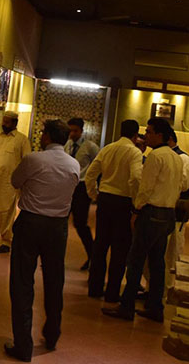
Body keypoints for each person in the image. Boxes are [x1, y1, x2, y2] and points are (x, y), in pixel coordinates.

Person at [4, 119, 80, 362]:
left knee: (22, 281)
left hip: (30, 222)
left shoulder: (34, 160)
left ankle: (23, 344)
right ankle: (52, 333)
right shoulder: (74, 164)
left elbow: (15, 181)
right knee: (55, 280)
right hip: (58, 227)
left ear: (47, 136)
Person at [103, 117, 183, 323]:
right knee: (157, 262)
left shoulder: (155, 156)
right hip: (168, 213)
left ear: (159, 135)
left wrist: (136, 210)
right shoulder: (176, 157)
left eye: (148, 132)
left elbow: (146, 187)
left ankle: (127, 306)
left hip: (152, 213)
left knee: (135, 261)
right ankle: (156, 307)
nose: (145, 136)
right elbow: (179, 186)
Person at [83, 119, 143, 302]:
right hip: (123, 202)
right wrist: (136, 201)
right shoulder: (134, 152)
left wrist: (94, 194)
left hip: (105, 200)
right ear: (135, 135)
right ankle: (112, 293)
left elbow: (90, 174)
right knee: (120, 249)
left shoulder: (107, 148)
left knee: (100, 245)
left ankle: (94, 288)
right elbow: (136, 178)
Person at [0, 111, 31, 253]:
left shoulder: (22, 140)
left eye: (7, 122)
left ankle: (6, 241)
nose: (4, 124)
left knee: (5, 213)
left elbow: (26, 161)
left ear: (15, 123)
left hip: (8, 183)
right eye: (3, 121)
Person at [64, 117, 100, 270]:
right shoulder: (66, 145)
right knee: (61, 222)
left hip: (81, 187)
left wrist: (93, 186)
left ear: (81, 131)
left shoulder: (90, 147)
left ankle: (92, 256)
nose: (72, 134)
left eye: (75, 131)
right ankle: (54, 257)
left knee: (80, 224)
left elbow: (98, 166)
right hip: (67, 186)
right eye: (70, 130)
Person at [168, 131, 189, 264]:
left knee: (174, 248)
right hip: (164, 210)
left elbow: (185, 185)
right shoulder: (164, 155)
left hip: (177, 212)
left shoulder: (184, 159)